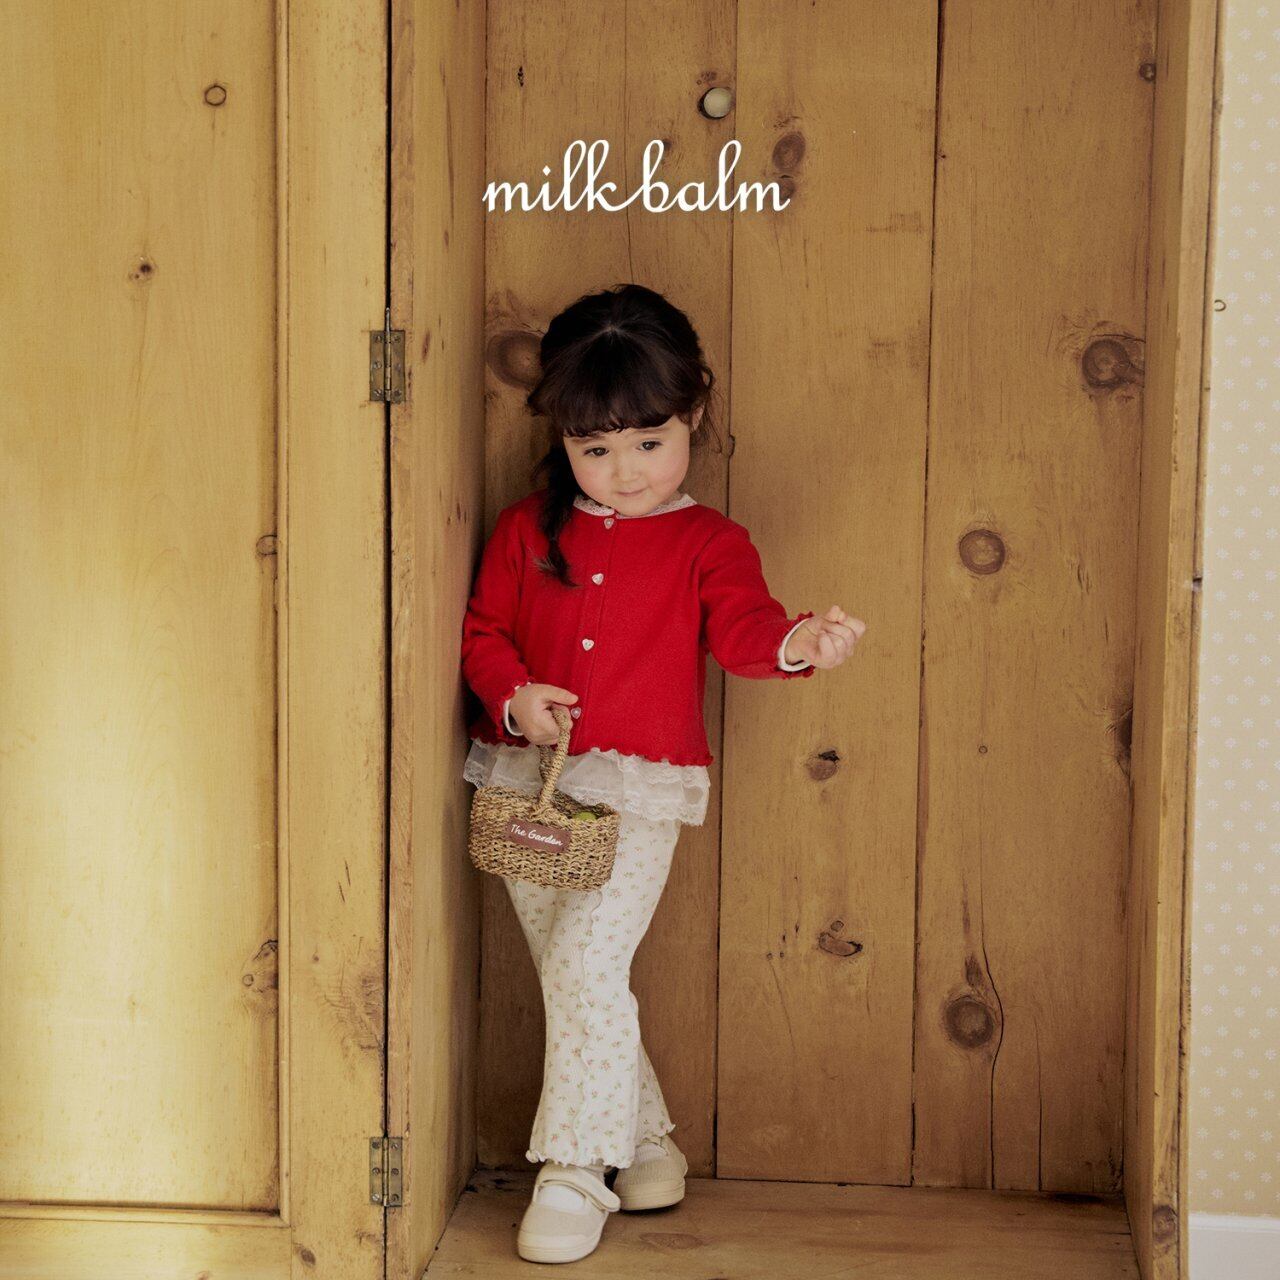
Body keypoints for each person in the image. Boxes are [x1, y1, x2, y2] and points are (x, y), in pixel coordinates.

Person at [459, 282, 865, 1264]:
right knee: (572, 971)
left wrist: (799, 642)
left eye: (649, 441)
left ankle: (575, 1167)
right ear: (562, 437)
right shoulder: (524, 531)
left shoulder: (709, 542)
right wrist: (515, 694)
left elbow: (744, 631)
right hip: (524, 782)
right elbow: (482, 632)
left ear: (694, 415)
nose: (625, 471)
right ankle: (646, 1142)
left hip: (637, 791)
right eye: (595, 449)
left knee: (583, 965)